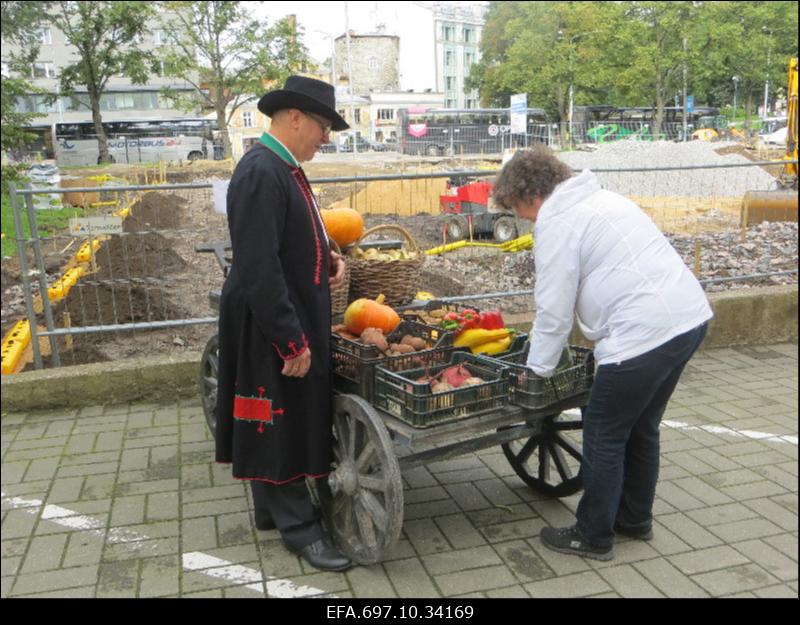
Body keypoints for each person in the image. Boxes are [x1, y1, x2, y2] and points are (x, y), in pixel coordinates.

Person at [492, 146, 712, 561]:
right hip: (687, 319)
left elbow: (554, 310)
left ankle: (592, 535)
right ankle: (634, 519)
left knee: (603, 434)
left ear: (531, 194)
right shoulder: (602, 198)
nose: (520, 216)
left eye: (517, 206)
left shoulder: (558, 222)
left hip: (642, 335)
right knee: (642, 427)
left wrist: (536, 369)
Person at [215, 76, 352, 572]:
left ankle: (268, 509)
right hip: (269, 319)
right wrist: (290, 340)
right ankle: (301, 529)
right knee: (278, 414)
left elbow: (294, 231)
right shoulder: (261, 172)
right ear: (294, 117)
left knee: (266, 410)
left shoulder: (282, 167)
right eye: (322, 126)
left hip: (286, 308)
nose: (326, 137)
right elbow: (258, 265)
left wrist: (328, 252)